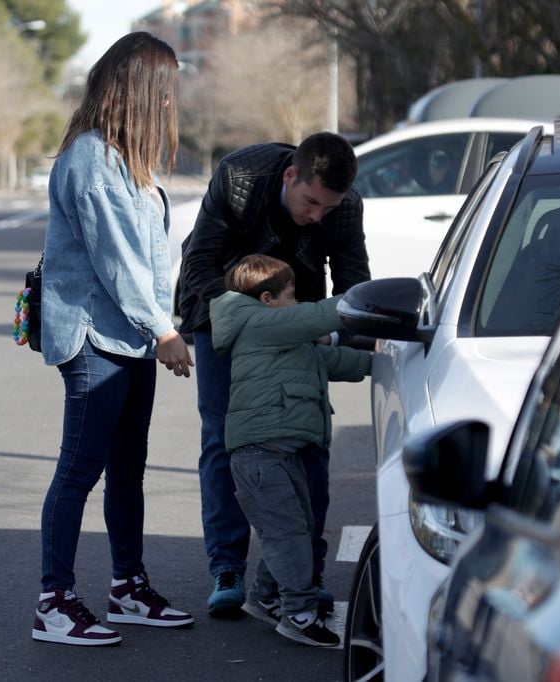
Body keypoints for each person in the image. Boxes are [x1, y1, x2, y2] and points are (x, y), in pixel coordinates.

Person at [31, 31, 195, 648]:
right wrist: (165, 330)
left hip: (126, 338)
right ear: (139, 90)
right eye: (164, 91)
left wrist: (156, 326)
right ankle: (54, 602)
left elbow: (147, 260)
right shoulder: (93, 160)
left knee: (128, 471)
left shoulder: (128, 160)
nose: (169, 104)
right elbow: (120, 263)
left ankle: (128, 587)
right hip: (97, 338)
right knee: (79, 471)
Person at [178, 131, 371, 617]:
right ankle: (227, 567)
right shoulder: (241, 177)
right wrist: (251, 321)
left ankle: (305, 572)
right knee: (226, 437)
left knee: (306, 439)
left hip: (295, 313)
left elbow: (353, 286)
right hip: (220, 312)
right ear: (290, 176)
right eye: (310, 203)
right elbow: (198, 263)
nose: (317, 216)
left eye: (328, 207)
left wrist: (363, 337)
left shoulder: (343, 208)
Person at [210, 254, 372, 646]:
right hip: (259, 455)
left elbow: (332, 358)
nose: (297, 302)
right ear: (267, 299)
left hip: (278, 453)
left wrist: (383, 363)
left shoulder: (282, 337)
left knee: (290, 529)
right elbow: (316, 317)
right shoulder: (259, 323)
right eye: (292, 295)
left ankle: (265, 596)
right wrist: (363, 301)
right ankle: (298, 613)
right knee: (287, 534)